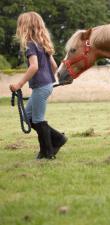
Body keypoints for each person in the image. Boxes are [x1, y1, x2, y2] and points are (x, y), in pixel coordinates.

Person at [9, 11, 67, 160]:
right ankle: (58, 139)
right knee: (27, 117)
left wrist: (19, 84)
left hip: (41, 87)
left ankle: (47, 153)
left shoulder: (30, 45)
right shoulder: (43, 44)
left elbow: (33, 66)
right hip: (45, 85)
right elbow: (54, 66)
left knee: (38, 119)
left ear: (25, 27)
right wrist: (51, 80)